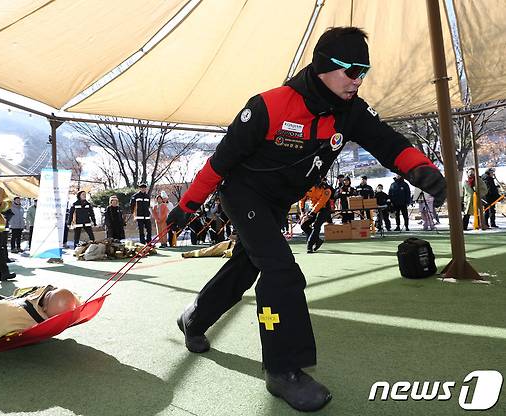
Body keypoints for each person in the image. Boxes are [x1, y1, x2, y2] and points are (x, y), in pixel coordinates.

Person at [166, 27, 446, 412]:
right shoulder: (269, 106)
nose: (358, 80)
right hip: (243, 195)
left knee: (248, 265)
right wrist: (187, 206)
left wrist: (427, 174)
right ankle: (283, 371)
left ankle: (193, 319)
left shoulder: (352, 111)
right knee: (281, 272)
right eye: (351, 70)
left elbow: (389, 143)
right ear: (322, 66)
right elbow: (220, 162)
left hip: (278, 203)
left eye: (364, 70)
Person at [299, 180, 332, 253]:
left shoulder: (326, 189)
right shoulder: (307, 185)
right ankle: (318, 240)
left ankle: (309, 246)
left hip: (324, 209)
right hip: (313, 208)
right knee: (304, 225)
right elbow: (302, 199)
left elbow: (321, 202)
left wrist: (311, 213)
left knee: (316, 225)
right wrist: (302, 212)